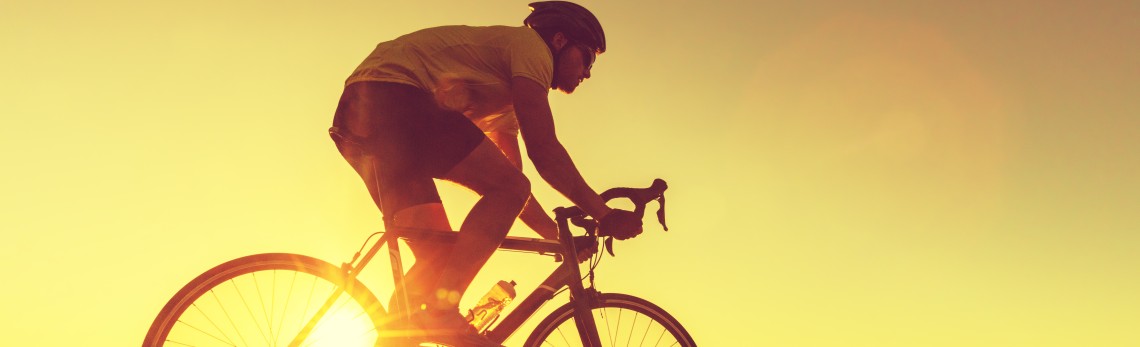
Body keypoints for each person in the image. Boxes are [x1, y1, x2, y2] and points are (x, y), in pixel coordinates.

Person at [328, 1, 642, 345]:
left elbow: (515, 191)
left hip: (359, 118)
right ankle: (441, 312)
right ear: (560, 41)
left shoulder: (505, 102)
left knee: (438, 260)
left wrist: (556, 236)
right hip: (392, 95)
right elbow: (544, 151)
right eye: (588, 58)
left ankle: (399, 335)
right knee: (445, 288)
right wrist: (603, 213)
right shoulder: (531, 49)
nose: (588, 73)